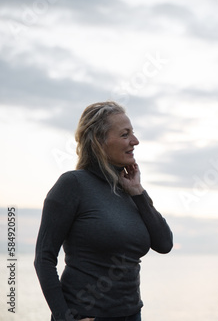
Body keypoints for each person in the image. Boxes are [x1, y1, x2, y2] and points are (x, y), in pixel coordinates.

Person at [34, 101, 174, 321]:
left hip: (132, 315)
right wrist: (64, 317)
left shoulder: (129, 190)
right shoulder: (72, 185)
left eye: (133, 134)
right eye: (125, 134)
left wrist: (138, 192)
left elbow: (164, 244)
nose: (135, 141)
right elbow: (44, 257)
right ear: (99, 141)